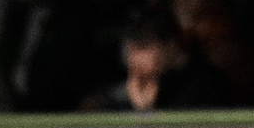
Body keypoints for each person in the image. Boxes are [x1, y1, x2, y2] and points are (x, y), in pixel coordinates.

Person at [97, 13, 231, 111]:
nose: (134, 58)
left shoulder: (204, 85)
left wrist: (144, 110)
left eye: (143, 46)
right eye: (130, 49)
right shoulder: (129, 86)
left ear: (170, 45)